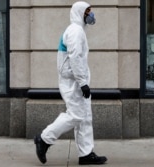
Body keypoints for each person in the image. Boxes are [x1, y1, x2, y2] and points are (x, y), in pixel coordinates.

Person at [34, 1, 107, 165]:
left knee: (85, 117)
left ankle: (86, 154)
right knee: (76, 115)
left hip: (76, 81)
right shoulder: (75, 31)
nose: (91, 14)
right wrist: (82, 83)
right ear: (80, 13)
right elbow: (74, 58)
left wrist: (83, 82)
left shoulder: (78, 30)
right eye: (88, 11)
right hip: (73, 83)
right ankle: (44, 138)